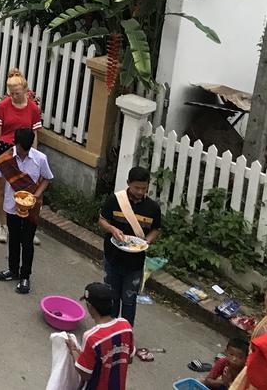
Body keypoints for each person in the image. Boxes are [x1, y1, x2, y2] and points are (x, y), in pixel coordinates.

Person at [0, 67, 43, 244]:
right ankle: (4, 226)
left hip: (25, 150)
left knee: (27, 189)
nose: (13, 96)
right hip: (5, 150)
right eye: (11, 93)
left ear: (25, 90)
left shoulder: (33, 108)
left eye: (17, 93)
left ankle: (28, 226)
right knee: (1, 189)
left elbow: (35, 134)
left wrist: (35, 155)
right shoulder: (3, 106)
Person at [98, 165, 162, 326]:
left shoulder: (153, 208)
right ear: (128, 183)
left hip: (135, 263)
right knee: (111, 297)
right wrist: (112, 229)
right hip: (113, 257)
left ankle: (125, 331)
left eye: (144, 188)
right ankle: (109, 330)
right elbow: (102, 220)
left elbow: (156, 229)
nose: (140, 191)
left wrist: (147, 241)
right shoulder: (115, 200)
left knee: (129, 299)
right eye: (136, 187)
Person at [0, 127, 52, 294]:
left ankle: (25, 275)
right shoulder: (6, 158)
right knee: (14, 238)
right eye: (21, 149)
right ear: (16, 143)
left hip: (31, 207)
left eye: (27, 150)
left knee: (27, 242)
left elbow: (47, 178)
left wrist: (36, 195)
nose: (24, 153)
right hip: (11, 205)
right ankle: (13, 270)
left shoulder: (40, 158)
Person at [66, 282, 134, 390]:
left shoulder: (92, 337)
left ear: (90, 306)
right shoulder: (126, 326)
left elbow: (85, 374)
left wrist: (73, 350)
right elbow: (129, 359)